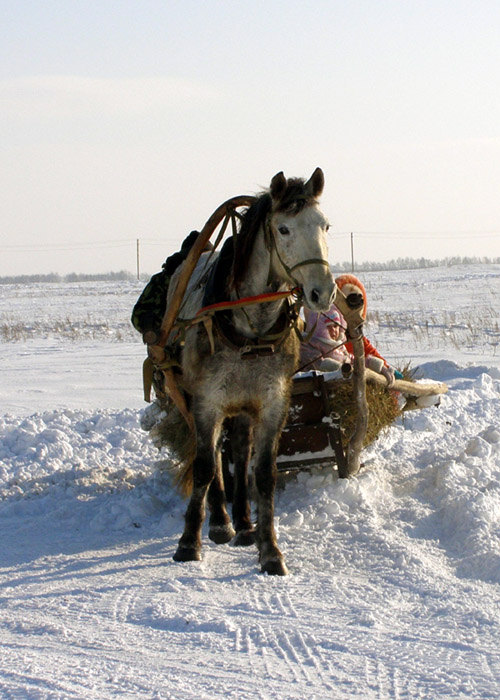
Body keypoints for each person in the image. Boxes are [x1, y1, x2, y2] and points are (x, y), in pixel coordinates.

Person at [300, 273, 402, 386]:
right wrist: (346, 369)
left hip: (348, 381)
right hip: (327, 385)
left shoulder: (343, 341)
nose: (333, 330)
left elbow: (359, 357)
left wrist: (381, 366)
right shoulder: (312, 342)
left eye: (335, 326)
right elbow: (317, 363)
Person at [131, 231, 213, 344]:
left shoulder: (218, 279)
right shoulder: (164, 280)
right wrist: (163, 324)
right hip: (175, 345)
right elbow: (140, 315)